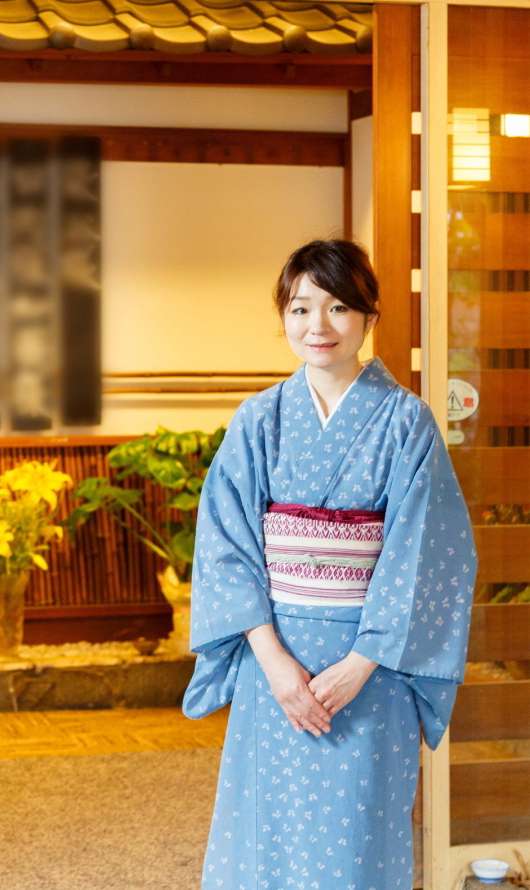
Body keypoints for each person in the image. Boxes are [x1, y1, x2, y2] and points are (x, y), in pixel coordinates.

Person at [183, 239, 477, 890]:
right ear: (283, 317)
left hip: (372, 674)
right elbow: (226, 545)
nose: (318, 326)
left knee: (359, 838)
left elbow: (428, 556)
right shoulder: (259, 420)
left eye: (339, 307)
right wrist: (274, 661)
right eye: (300, 308)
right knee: (269, 836)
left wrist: (362, 662)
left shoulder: (407, 423)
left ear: (369, 318)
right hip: (275, 671)